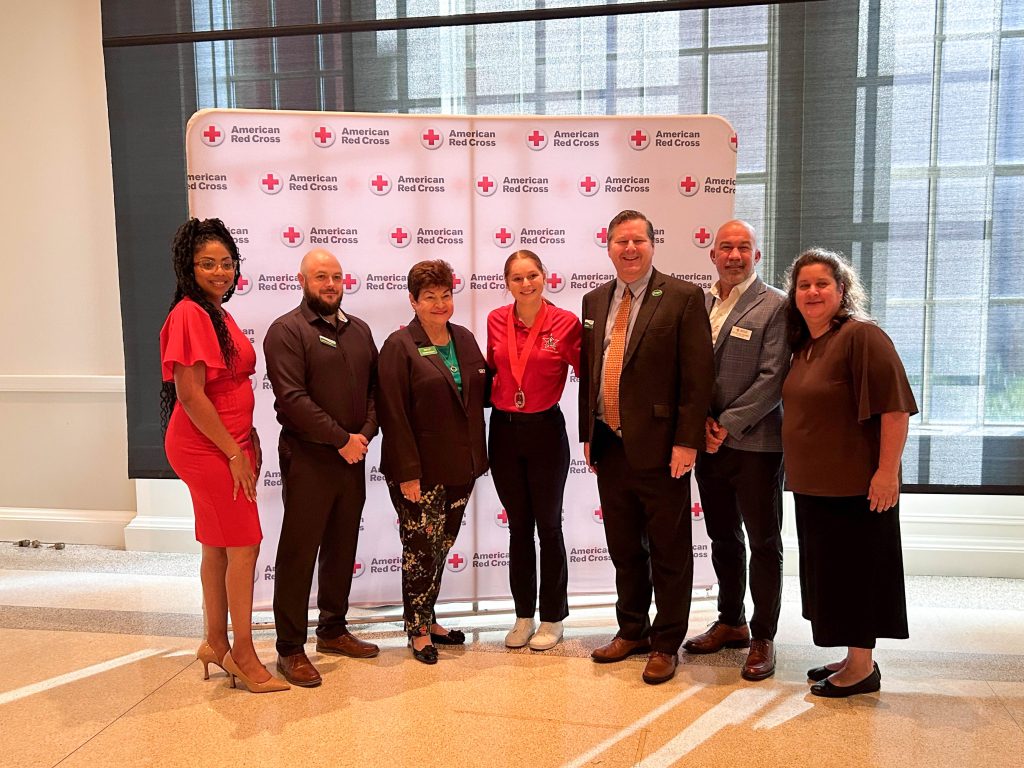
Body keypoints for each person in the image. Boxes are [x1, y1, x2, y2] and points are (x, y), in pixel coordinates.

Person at [579, 210, 715, 684]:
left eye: (638, 240)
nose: (629, 249)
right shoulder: (594, 300)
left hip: (662, 449)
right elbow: (591, 373)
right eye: (621, 241)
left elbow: (698, 379)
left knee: (669, 549)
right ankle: (632, 629)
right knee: (624, 549)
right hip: (610, 445)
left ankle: (665, 642)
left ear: (653, 245)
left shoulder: (682, 297)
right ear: (609, 246)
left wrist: (686, 442)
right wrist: (589, 435)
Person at [159, 218, 288, 694]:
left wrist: (244, 435)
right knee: (245, 545)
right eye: (207, 264)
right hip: (206, 445)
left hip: (226, 440)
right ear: (188, 267)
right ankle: (244, 655)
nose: (219, 272)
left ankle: (215, 641)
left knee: (217, 543)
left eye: (227, 263)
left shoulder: (215, 311)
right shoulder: (192, 314)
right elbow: (190, 395)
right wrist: (233, 451)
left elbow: (225, 385)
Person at [782, 247, 918, 698]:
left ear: (842, 290)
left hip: (855, 488)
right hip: (813, 487)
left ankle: (862, 668)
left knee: (858, 575)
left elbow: (895, 410)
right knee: (833, 577)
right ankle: (852, 654)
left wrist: (886, 472)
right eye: (804, 285)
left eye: (823, 283)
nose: (813, 292)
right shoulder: (806, 345)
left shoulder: (863, 337)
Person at [263, 249, 380, 688]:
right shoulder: (286, 331)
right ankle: (289, 649)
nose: (330, 284)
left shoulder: (359, 330)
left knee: (341, 545)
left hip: (354, 455)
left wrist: (363, 434)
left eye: (335, 276)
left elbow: (375, 389)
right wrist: (341, 439)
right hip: (309, 457)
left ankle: (332, 629)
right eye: (320, 277)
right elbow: (292, 399)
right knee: (299, 553)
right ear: (302, 280)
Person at [683, 220, 789, 682]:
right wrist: (699, 425)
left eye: (743, 247)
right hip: (709, 445)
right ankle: (731, 622)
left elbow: (773, 379)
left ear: (757, 256)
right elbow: (690, 370)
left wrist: (724, 425)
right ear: (712, 255)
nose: (734, 255)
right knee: (723, 537)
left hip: (756, 445)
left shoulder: (777, 306)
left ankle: (764, 635)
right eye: (725, 247)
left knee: (764, 542)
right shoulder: (700, 304)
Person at [377, 260, 488, 664]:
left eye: (445, 295)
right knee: (420, 549)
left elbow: (477, 394)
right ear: (413, 301)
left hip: (462, 466)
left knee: (441, 546)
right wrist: (407, 473)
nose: (440, 304)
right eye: (429, 297)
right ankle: (418, 629)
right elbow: (393, 413)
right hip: (419, 472)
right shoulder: (399, 345)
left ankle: (429, 616)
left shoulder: (464, 338)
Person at [486, 250, 582, 651]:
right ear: (507, 283)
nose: (526, 284)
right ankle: (524, 614)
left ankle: (553, 617)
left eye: (532, 276)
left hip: (545, 431)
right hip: (505, 432)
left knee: (550, 526)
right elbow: (489, 371)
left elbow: (588, 374)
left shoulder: (565, 323)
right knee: (518, 528)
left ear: (545, 277)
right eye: (517, 278)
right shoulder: (495, 320)